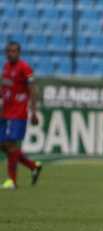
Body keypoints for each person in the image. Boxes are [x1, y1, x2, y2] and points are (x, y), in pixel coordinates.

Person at [0, 41, 42, 189]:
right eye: (9, 51)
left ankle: (12, 181)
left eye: (14, 51)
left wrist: (34, 112)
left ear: (19, 53)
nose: (11, 54)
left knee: (11, 145)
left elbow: (33, 90)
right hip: (5, 112)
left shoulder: (24, 68)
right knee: (3, 145)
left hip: (18, 113)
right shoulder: (5, 67)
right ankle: (33, 166)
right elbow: (4, 88)